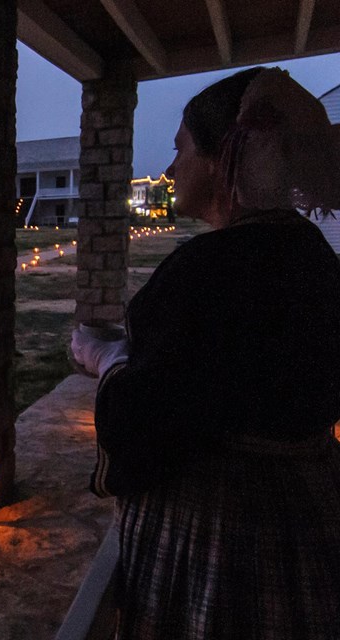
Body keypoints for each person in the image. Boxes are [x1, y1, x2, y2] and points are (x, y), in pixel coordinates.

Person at [71, 67, 340, 639]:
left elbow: (145, 421)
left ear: (226, 157)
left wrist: (104, 358)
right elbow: (215, 372)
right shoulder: (310, 253)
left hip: (222, 536)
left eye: (182, 149)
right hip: (307, 509)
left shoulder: (210, 270)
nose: (171, 169)